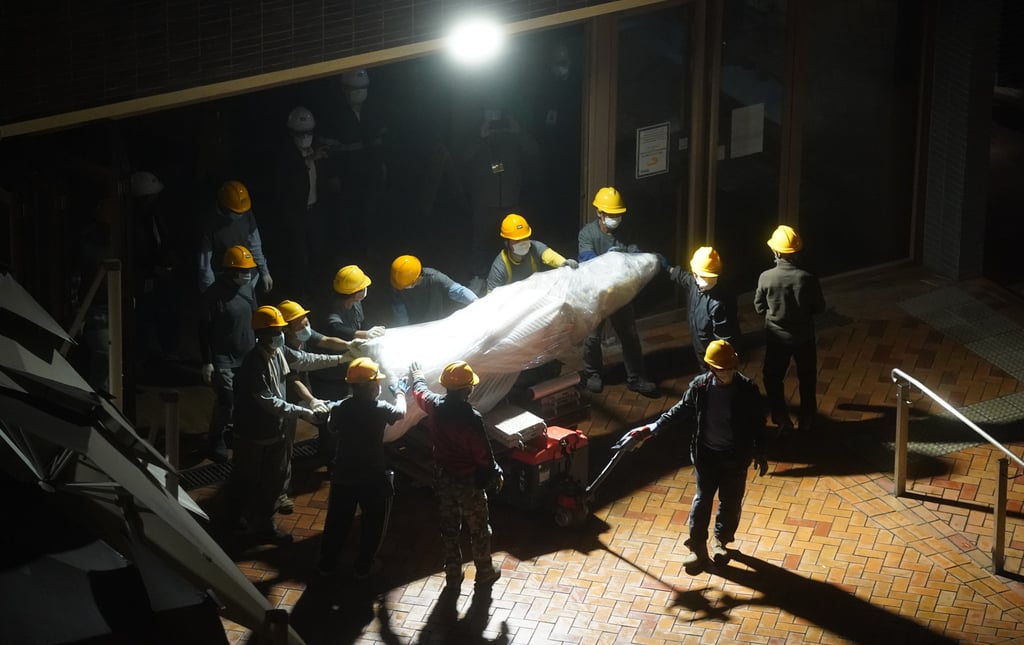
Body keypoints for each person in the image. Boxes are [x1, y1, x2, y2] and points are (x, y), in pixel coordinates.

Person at [622, 340, 768, 570]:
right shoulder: (700, 388)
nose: (728, 372)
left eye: (731, 368)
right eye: (723, 369)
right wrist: (653, 428)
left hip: (734, 457)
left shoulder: (747, 390)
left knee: (730, 502)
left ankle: (721, 541)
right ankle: (697, 547)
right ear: (712, 369)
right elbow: (679, 410)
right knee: (702, 501)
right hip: (706, 456)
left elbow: (757, 424)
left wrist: (760, 451)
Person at [222, 305, 348, 546]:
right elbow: (271, 402)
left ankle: (265, 525)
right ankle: (233, 519)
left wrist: (339, 362)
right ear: (262, 334)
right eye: (275, 331)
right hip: (253, 435)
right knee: (244, 478)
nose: (280, 335)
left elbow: (299, 367)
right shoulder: (252, 366)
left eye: (280, 330)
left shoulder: (277, 352)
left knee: (275, 478)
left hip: (277, 431)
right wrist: (305, 412)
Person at [410, 360, 503, 589]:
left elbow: (420, 393)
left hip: (443, 478)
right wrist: (495, 473)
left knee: (449, 527)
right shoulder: (471, 418)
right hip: (469, 481)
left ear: (446, 387)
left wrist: (417, 376)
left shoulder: (434, 406)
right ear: (468, 389)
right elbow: (483, 455)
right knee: (479, 528)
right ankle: (484, 571)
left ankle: (452, 572)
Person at [317, 357, 409, 578]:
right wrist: (400, 392)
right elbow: (401, 413)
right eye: (377, 382)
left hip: (343, 476)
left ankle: (326, 565)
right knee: (373, 523)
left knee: (337, 522)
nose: (379, 386)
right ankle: (363, 566)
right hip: (372, 476)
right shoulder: (380, 409)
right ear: (370, 386)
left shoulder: (340, 408)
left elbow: (332, 429)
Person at [577, 186, 659, 397]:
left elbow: (636, 254)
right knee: (592, 338)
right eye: (611, 215)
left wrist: (625, 257)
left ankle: (636, 378)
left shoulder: (626, 232)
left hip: (620, 294)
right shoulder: (588, 233)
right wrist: (609, 260)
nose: (615, 218)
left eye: (618, 215)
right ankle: (593, 373)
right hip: (597, 294)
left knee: (629, 335)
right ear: (599, 213)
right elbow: (586, 259)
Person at [277, 298, 361, 499]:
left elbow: (325, 340)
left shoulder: (302, 336)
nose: (307, 327)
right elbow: (294, 377)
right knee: (283, 444)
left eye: (307, 322)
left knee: (322, 422)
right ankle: (280, 491)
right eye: (302, 324)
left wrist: (349, 345)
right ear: (288, 330)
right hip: (284, 396)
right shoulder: (283, 350)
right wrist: (311, 399)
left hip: (301, 389)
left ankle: (326, 458)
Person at [754, 225, 826, 432]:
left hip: (777, 338)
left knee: (773, 377)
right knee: (807, 377)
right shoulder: (808, 278)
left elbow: (759, 307)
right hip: (804, 337)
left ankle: (780, 416)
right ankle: (807, 418)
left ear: (776, 252)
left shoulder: (766, 277)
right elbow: (819, 307)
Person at [199, 245, 259, 463]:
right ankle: (215, 439)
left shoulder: (246, 289)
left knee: (244, 398)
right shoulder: (213, 296)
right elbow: (204, 330)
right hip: (224, 358)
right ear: (230, 271)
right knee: (227, 400)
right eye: (244, 270)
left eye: (249, 270)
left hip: (247, 354)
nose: (248, 274)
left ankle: (234, 432)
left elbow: (255, 314)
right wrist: (207, 361)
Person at [669, 246, 740, 371]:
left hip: (712, 353)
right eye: (695, 274)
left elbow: (724, 339)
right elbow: (685, 279)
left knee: (711, 377)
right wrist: (670, 269)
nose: (696, 277)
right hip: (700, 344)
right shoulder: (696, 283)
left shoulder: (720, 303)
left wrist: (719, 364)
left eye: (700, 275)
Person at [198, 180, 273, 295]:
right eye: (238, 213)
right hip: (223, 281)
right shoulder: (210, 223)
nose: (241, 215)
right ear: (225, 207)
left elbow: (254, 244)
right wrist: (210, 292)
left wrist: (264, 272)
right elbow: (205, 265)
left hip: (248, 277)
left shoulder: (246, 212)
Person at [324, 265, 386, 402]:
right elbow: (335, 328)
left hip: (352, 360)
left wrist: (371, 332)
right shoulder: (333, 307)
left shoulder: (356, 304)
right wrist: (364, 334)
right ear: (357, 292)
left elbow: (361, 322)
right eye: (363, 287)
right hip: (334, 368)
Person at [486, 213, 577, 292]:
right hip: (512, 303)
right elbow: (491, 297)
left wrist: (564, 263)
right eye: (517, 240)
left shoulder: (535, 247)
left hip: (534, 295)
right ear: (507, 242)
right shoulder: (500, 266)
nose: (522, 243)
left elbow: (549, 256)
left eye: (525, 238)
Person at [390, 254, 477, 326]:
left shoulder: (434, 277)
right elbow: (400, 314)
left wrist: (476, 302)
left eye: (407, 285)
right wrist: (403, 331)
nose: (404, 288)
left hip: (435, 323)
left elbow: (458, 291)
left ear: (417, 278)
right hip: (414, 325)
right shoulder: (399, 284)